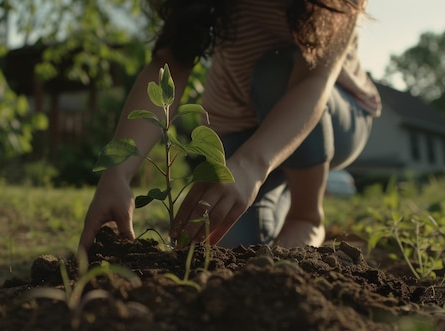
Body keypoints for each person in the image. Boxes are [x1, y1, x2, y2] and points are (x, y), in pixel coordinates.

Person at [80, 0, 381, 249]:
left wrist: (251, 165)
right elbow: (169, 63)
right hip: (237, 129)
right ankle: (279, 187)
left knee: (275, 69)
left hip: (331, 118)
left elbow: (313, 79)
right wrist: (117, 175)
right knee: (213, 246)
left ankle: (306, 214)